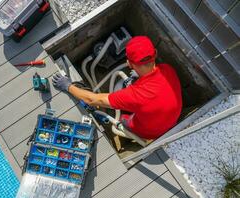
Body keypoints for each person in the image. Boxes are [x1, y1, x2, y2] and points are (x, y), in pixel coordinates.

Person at [52, 36, 182, 140]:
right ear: (155, 54)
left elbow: (93, 100)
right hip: (170, 120)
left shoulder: (135, 95)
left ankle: (123, 128)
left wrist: (68, 86)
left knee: (122, 120)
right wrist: (139, 77)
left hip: (149, 132)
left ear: (129, 63)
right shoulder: (167, 69)